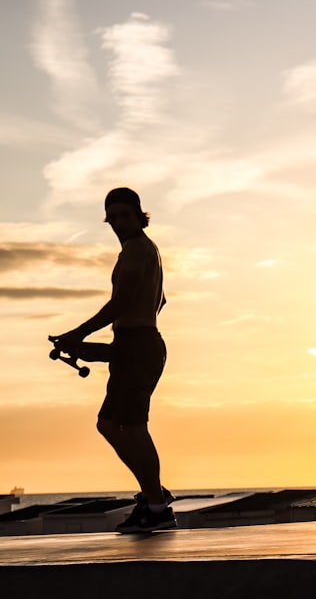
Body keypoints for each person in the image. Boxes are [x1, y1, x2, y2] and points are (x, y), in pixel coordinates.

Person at [50, 188, 174, 533]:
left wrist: (80, 333)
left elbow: (122, 303)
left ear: (139, 215)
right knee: (110, 423)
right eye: (112, 217)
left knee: (130, 426)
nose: (118, 222)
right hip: (137, 344)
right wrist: (114, 341)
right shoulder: (145, 251)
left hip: (140, 345)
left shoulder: (136, 249)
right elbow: (158, 300)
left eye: (124, 215)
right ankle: (155, 496)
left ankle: (156, 504)